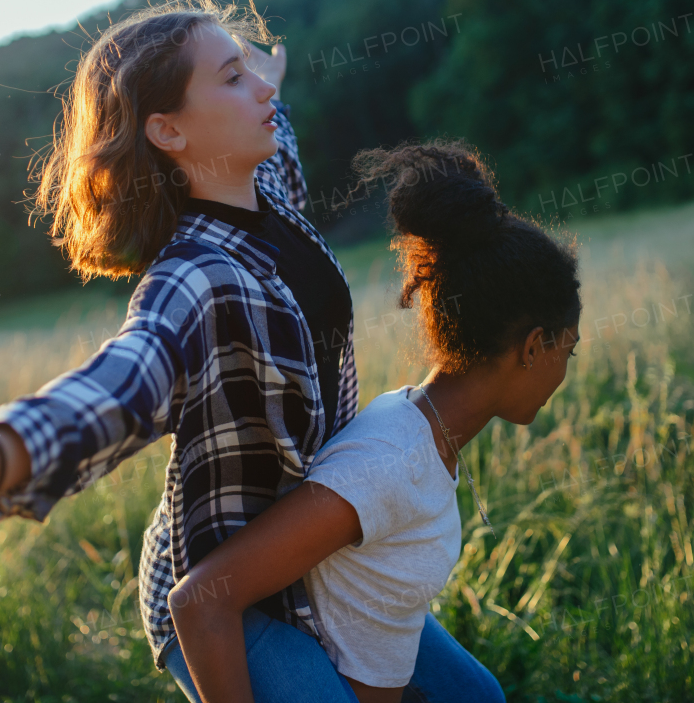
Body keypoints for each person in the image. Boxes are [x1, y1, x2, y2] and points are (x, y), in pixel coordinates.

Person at [0, 0, 505, 701]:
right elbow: (112, 388)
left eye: (251, 74)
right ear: (168, 131)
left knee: (478, 700)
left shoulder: (272, 190)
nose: (263, 93)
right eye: (231, 79)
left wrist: (258, 72)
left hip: (310, 557)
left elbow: (275, 113)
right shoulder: (194, 281)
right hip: (220, 586)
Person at [166, 141, 582, 702]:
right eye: (569, 351)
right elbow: (201, 600)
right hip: (226, 614)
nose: (566, 370)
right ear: (534, 347)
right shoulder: (390, 463)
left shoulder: (429, 427)